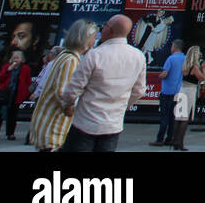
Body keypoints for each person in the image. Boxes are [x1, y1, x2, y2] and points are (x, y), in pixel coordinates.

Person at [59, 14, 147, 152]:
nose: (102, 29)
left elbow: (74, 88)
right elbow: (140, 90)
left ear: (109, 30)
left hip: (86, 122)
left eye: (105, 26)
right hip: (113, 124)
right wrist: (124, 105)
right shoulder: (138, 56)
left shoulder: (95, 55)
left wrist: (67, 104)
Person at [29, 20, 97, 152]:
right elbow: (63, 93)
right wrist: (72, 107)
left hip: (48, 124)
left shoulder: (65, 56)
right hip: (53, 127)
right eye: (93, 38)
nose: (94, 42)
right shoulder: (71, 60)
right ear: (85, 39)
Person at [0, 50, 32, 141]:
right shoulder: (6, 67)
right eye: (14, 58)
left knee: (13, 115)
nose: (16, 60)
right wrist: (7, 71)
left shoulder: (25, 68)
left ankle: (10, 133)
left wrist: (25, 92)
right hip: (5, 93)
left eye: (18, 58)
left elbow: (28, 81)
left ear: (22, 59)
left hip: (17, 94)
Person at [172, 45, 205, 151]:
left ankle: (174, 140)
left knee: (178, 117)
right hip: (190, 91)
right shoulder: (194, 67)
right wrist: (204, 68)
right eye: (198, 53)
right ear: (195, 54)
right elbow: (202, 78)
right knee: (185, 118)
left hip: (182, 89)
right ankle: (180, 142)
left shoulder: (185, 65)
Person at [150, 40, 186, 146]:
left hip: (167, 91)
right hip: (178, 91)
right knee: (173, 117)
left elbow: (165, 73)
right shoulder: (185, 59)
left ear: (174, 47)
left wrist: (159, 76)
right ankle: (170, 138)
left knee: (164, 116)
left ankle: (159, 139)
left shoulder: (171, 58)